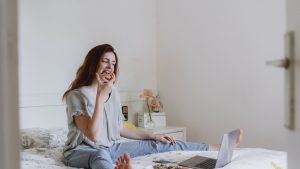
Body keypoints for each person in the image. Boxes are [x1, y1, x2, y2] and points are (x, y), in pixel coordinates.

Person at [62, 44, 243, 169]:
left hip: (110, 147)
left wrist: (153, 136)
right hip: (82, 151)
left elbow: (118, 129)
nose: (110, 66)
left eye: (113, 62)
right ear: (94, 63)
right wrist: (100, 96)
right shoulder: (76, 95)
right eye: (105, 61)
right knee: (100, 157)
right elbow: (92, 135)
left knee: (160, 144)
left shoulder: (113, 91)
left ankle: (215, 147)